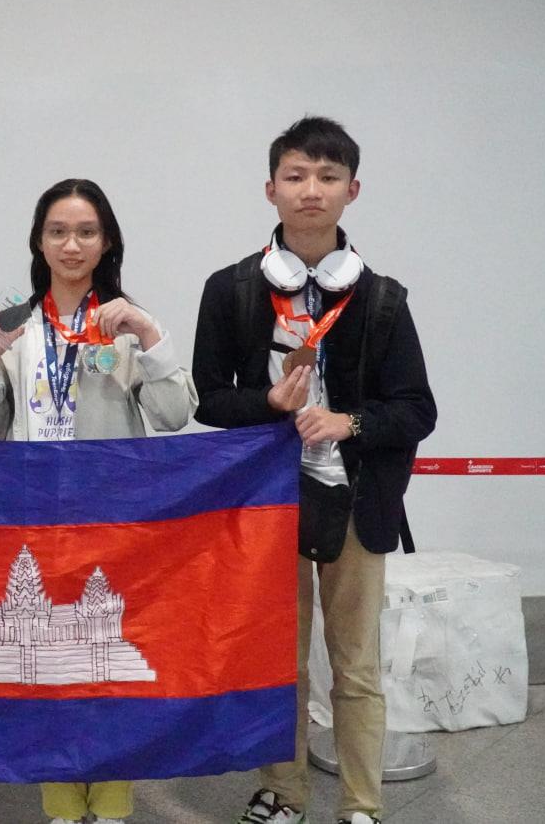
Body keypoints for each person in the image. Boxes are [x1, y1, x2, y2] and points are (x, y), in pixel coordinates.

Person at [191, 117, 436, 824]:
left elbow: (417, 409)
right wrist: (268, 403)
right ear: (270, 189)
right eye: (295, 176)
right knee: (280, 660)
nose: (311, 190)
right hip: (268, 503)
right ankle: (284, 791)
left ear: (351, 190)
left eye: (328, 177)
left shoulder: (382, 299)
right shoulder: (231, 289)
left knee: (355, 664)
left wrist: (348, 422)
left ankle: (362, 803)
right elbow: (209, 398)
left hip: (355, 500)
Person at [0, 178, 198, 824]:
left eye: (86, 232)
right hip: (32, 516)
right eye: (58, 232)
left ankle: (113, 805)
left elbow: (174, 415)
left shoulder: (124, 324)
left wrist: (150, 336)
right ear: (38, 242)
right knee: (44, 666)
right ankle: (62, 808)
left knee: (108, 663)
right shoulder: (11, 323)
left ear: (107, 242)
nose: (72, 245)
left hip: (112, 518)